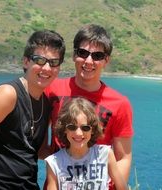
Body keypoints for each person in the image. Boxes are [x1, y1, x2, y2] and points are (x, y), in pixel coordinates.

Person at [0, 29, 66, 190]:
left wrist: (80, 153)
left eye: (53, 62)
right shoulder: (8, 94)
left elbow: (40, 152)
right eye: (39, 60)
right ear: (26, 62)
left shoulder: (46, 103)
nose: (46, 68)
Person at [41, 24, 133, 189]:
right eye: (83, 53)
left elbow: (123, 158)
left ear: (106, 60)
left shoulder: (120, 104)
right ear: (74, 55)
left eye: (97, 56)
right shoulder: (51, 90)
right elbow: (40, 143)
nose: (89, 61)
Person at [45, 97, 128, 190]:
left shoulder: (105, 154)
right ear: (65, 129)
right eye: (72, 127)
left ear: (92, 130)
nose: (78, 133)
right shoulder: (54, 162)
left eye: (85, 128)